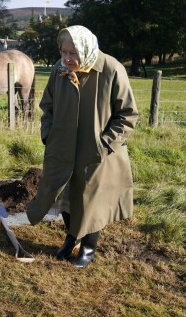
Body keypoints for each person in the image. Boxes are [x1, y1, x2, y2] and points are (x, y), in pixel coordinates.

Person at [26, 25, 138, 268]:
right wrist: (48, 134)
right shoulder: (59, 69)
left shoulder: (111, 69)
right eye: (64, 52)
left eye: (73, 53)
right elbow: (48, 106)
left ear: (86, 49)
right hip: (62, 149)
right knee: (65, 195)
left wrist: (104, 143)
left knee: (90, 200)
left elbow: (128, 115)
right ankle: (72, 237)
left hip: (97, 153)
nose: (67, 59)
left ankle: (88, 248)